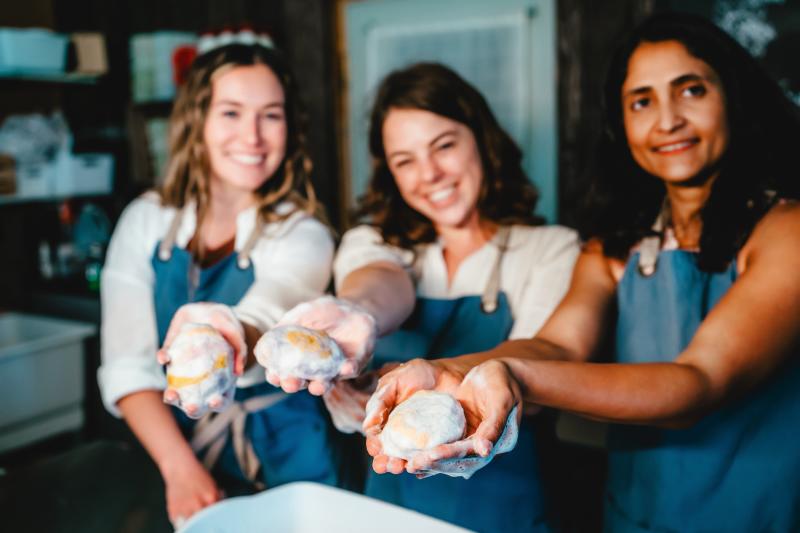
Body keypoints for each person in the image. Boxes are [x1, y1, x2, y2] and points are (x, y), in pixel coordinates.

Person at [364, 13, 800, 533]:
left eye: (690, 90)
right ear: (620, 120)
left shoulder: (786, 231)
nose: (667, 120)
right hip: (632, 514)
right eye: (642, 101)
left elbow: (698, 384)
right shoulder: (612, 249)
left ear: (732, 96)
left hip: (755, 517)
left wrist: (514, 374)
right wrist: (448, 372)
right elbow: (558, 348)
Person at [267, 63, 580, 532]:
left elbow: (542, 371)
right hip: (390, 509)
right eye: (405, 160)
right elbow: (381, 282)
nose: (430, 174)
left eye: (445, 146)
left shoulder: (549, 248)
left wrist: (441, 380)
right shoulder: (377, 242)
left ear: (482, 138)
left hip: (504, 510)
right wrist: (359, 314)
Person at [97, 42, 338, 527]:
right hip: (177, 449)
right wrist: (179, 468)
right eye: (231, 112)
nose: (252, 135)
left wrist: (228, 330)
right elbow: (128, 366)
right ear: (197, 122)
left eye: (271, 115)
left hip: (292, 452)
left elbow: (266, 319)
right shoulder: (146, 221)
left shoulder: (304, 232)